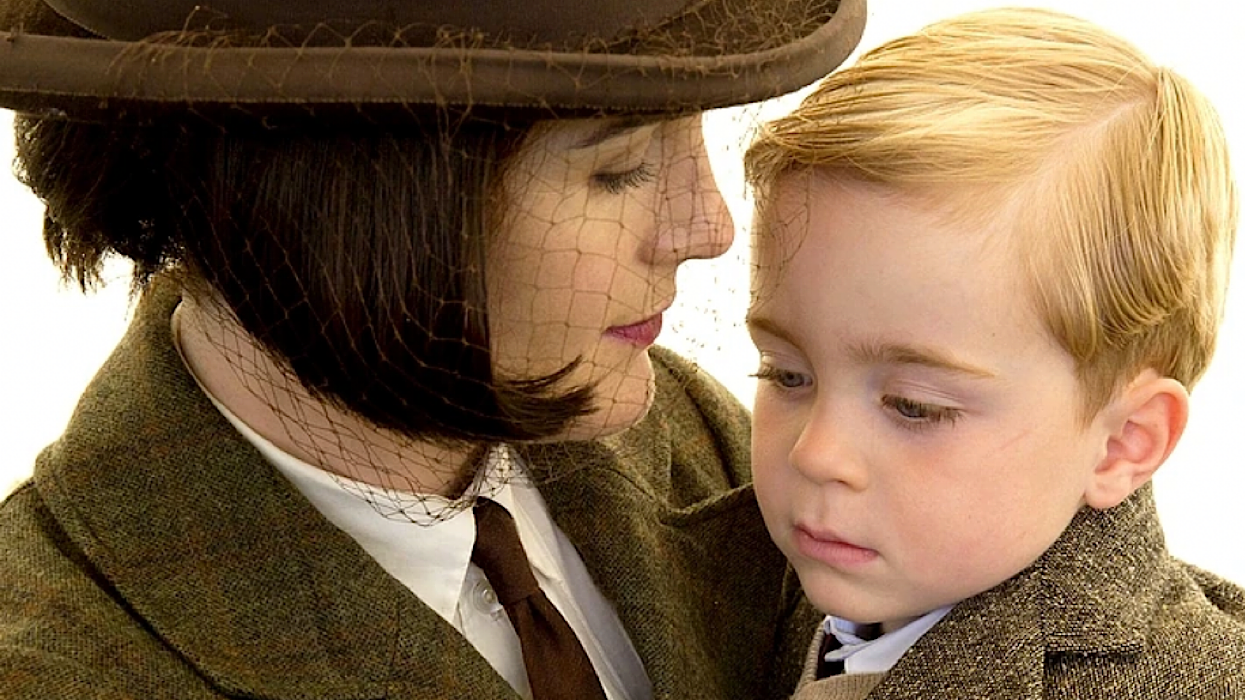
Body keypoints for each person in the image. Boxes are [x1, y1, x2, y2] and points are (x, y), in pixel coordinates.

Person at [0, 0, 863, 697]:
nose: (706, 227)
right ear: (346, 216)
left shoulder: (683, 429)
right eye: (620, 166)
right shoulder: (57, 662)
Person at [742, 8, 1245, 699]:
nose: (815, 453)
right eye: (786, 373)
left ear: (1123, 443)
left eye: (914, 406)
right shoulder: (762, 593)